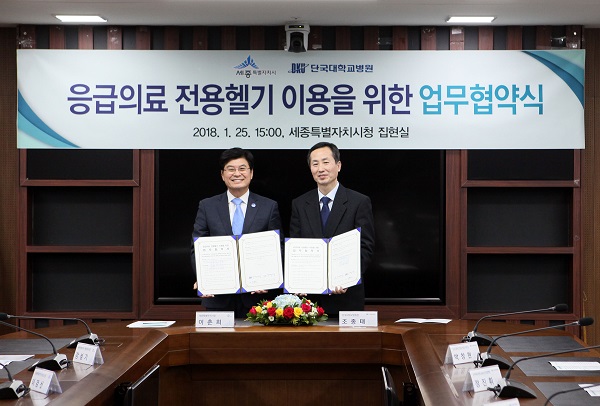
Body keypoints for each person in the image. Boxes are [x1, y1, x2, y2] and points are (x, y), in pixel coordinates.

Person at [191, 147, 282, 318]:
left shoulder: (268, 206)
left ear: (251, 173)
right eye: (230, 169)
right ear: (222, 174)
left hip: (257, 299)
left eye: (242, 168)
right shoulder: (207, 206)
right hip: (218, 297)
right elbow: (197, 248)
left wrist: (270, 279)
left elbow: (277, 248)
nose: (237, 173)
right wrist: (203, 278)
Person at [290, 142, 375, 316]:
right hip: (309, 302)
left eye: (326, 162)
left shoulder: (359, 202)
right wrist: (298, 280)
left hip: (346, 297)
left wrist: (347, 278)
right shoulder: (300, 204)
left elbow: (365, 246)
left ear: (338, 165)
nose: (320, 169)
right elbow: (295, 246)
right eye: (315, 164)